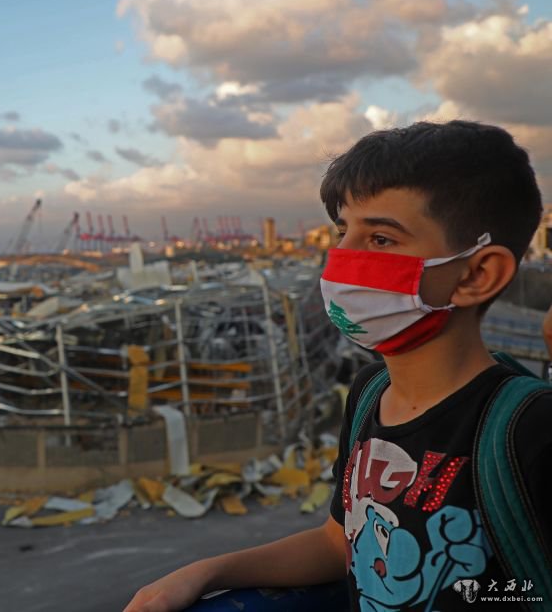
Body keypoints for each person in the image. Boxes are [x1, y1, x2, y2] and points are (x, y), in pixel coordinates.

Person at [124, 120, 552, 612]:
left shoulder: (529, 429)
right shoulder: (370, 392)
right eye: (343, 231)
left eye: (381, 240)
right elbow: (339, 541)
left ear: (477, 274)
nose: (342, 257)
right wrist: (207, 572)